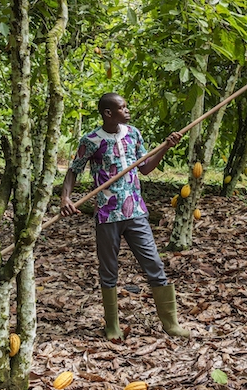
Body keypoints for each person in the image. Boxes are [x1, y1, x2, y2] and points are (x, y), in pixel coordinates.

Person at [60, 92, 190, 339]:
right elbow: (73, 171)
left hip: (136, 212)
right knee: (109, 271)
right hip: (107, 215)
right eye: (123, 107)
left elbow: (146, 168)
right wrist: (65, 198)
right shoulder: (91, 140)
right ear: (108, 113)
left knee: (154, 264)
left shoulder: (133, 134)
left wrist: (165, 147)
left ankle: (170, 323)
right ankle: (112, 326)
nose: (127, 111)